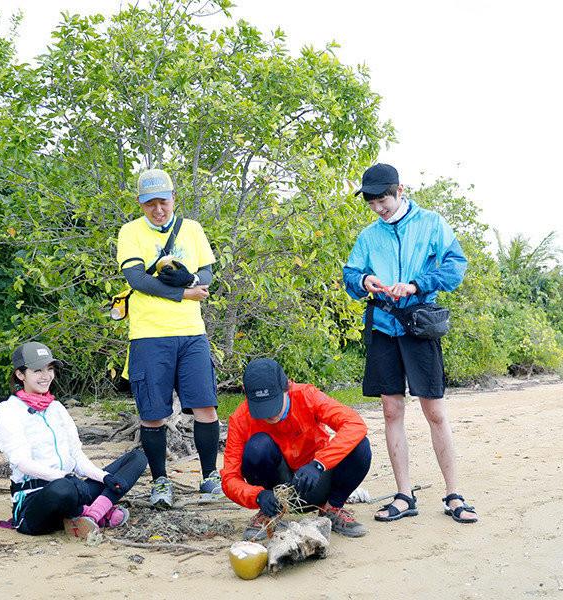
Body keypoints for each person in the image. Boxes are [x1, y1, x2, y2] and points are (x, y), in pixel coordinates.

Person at [342, 163, 478, 524]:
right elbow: (350, 274)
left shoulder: (432, 223)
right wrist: (365, 280)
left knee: (435, 412)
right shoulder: (369, 236)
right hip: (384, 327)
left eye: (382, 199)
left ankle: (454, 494)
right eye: (371, 202)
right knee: (391, 411)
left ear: (400, 190)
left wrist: (416, 284)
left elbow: (456, 265)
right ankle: (404, 495)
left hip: (419, 326)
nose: (377, 208)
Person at [116, 168, 221, 508]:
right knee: (153, 413)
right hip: (149, 335)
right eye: (150, 204)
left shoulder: (191, 229)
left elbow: (207, 270)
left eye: (163, 201)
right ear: (140, 204)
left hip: (192, 334)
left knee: (205, 406)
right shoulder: (130, 232)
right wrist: (181, 295)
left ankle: (210, 477)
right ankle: (161, 481)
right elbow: (136, 279)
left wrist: (191, 279)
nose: (158, 209)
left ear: (174, 197)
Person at [0, 342, 147, 538]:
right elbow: (22, 463)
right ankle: (94, 510)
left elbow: (76, 456)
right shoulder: (7, 411)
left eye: (49, 369)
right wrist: (65, 478)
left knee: (137, 458)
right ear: (20, 375)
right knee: (63, 489)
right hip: (37, 501)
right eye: (37, 370)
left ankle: (91, 515)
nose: (46, 376)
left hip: (73, 488)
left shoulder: (56, 408)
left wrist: (104, 478)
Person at [221, 358, 372, 540]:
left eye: (273, 404)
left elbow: (354, 424)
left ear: (286, 387)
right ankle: (269, 514)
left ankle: (332, 507)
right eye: (262, 408)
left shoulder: (306, 395)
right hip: (277, 493)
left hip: (317, 482)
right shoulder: (240, 418)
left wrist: (319, 464)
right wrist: (258, 496)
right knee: (257, 446)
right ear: (246, 394)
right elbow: (229, 478)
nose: (270, 415)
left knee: (360, 446)